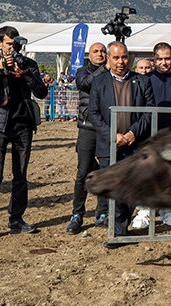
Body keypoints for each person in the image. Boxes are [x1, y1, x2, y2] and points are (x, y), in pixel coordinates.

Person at [0, 25, 48, 243]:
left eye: (16, 45)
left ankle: (16, 218)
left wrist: (25, 73)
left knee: (21, 176)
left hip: (23, 124)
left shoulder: (29, 63)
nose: (13, 49)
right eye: (9, 44)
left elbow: (41, 92)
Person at [88, 41, 155, 247]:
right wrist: (112, 135)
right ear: (108, 59)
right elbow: (94, 113)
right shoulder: (99, 83)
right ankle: (118, 232)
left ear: (130, 58)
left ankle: (120, 226)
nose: (120, 61)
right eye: (116, 57)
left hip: (135, 144)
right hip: (110, 145)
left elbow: (149, 111)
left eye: (124, 57)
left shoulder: (142, 82)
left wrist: (133, 132)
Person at [134, 42, 171, 229]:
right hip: (148, 135)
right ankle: (144, 211)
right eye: (159, 59)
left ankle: (168, 210)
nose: (164, 62)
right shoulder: (144, 79)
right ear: (154, 60)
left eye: (167, 58)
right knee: (146, 173)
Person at [66, 42, 109, 235]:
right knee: (83, 171)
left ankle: (102, 212)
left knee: (106, 171)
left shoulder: (110, 72)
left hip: (106, 127)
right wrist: (104, 69)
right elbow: (85, 84)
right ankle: (77, 214)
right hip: (87, 127)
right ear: (89, 55)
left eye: (103, 51)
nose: (100, 54)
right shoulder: (83, 71)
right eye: (96, 51)